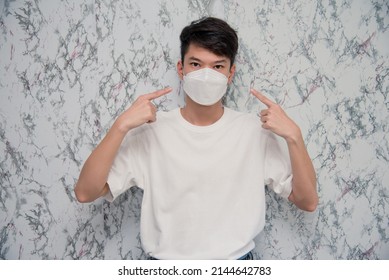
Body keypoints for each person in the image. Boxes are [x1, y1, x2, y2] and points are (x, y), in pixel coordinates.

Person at [74, 17, 318, 260]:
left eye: (218, 66)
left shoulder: (254, 131)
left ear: (230, 73)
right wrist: (120, 126)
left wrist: (294, 136)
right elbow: (86, 192)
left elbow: (307, 201)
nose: (206, 75)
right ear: (181, 69)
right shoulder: (152, 131)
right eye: (196, 64)